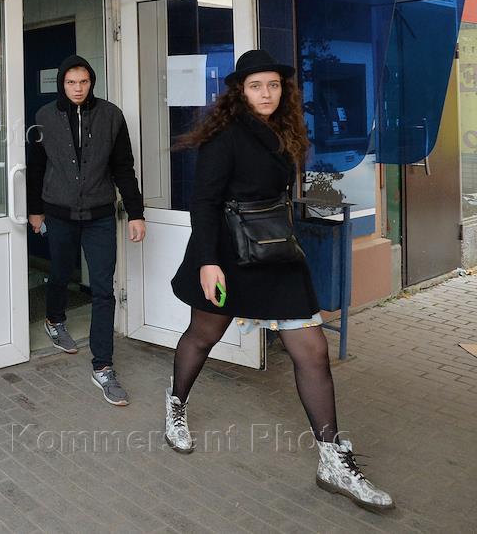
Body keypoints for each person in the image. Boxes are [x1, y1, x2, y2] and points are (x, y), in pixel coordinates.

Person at [164, 49, 394, 512]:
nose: (265, 93)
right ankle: (175, 405)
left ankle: (332, 460)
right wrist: (208, 262)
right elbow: (204, 202)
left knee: (313, 351)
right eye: (255, 86)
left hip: (276, 253)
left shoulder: (285, 131)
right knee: (204, 335)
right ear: (240, 92)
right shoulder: (225, 136)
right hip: (228, 255)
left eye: (272, 85)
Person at [27, 55, 146, 406]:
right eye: (71, 83)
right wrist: (35, 211)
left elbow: (124, 167)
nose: (77, 89)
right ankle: (54, 320)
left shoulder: (111, 116)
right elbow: (36, 168)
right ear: (62, 84)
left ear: (91, 82)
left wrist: (136, 213)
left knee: (103, 288)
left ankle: (103, 366)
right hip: (59, 212)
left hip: (100, 215)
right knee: (61, 273)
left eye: (83, 82)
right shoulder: (44, 117)